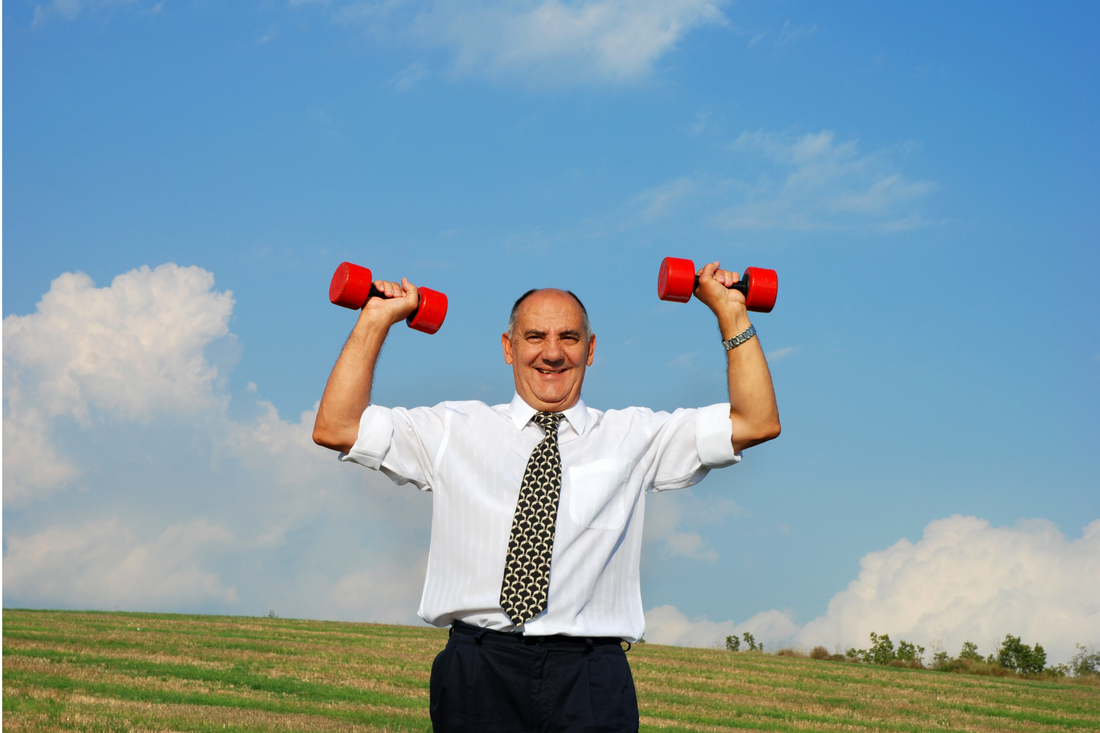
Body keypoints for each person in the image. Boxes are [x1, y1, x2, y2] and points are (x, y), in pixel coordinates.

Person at [312, 262, 780, 733]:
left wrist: (732, 314)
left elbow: (756, 422)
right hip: (479, 671)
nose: (552, 354)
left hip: (590, 677)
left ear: (591, 349)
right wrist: (374, 318)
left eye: (569, 338)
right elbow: (338, 427)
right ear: (508, 348)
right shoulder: (452, 428)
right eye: (534, 337)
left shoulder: (636, 434)